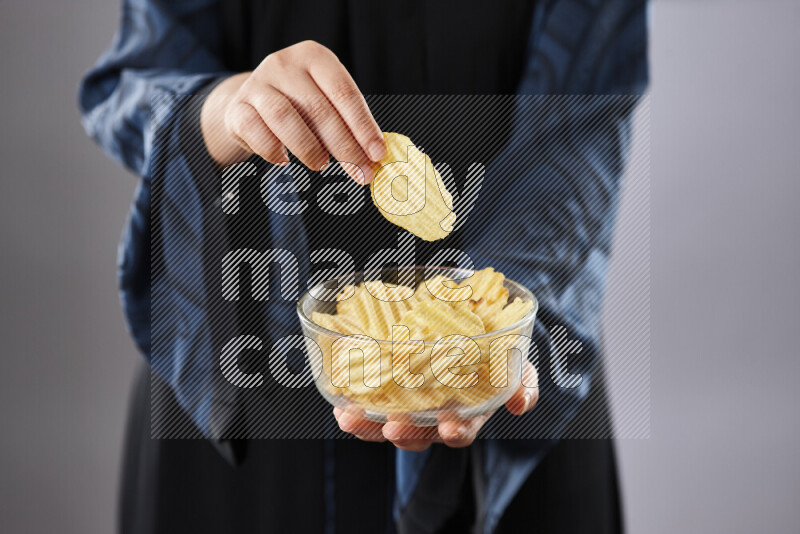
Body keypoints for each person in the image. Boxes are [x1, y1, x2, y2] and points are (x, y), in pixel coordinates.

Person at [79, 1, 648, 532]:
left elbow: (580, 117)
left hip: (507, 385)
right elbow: (138, 73)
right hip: (245, 370)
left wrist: (489, 343)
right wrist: (226, 110)